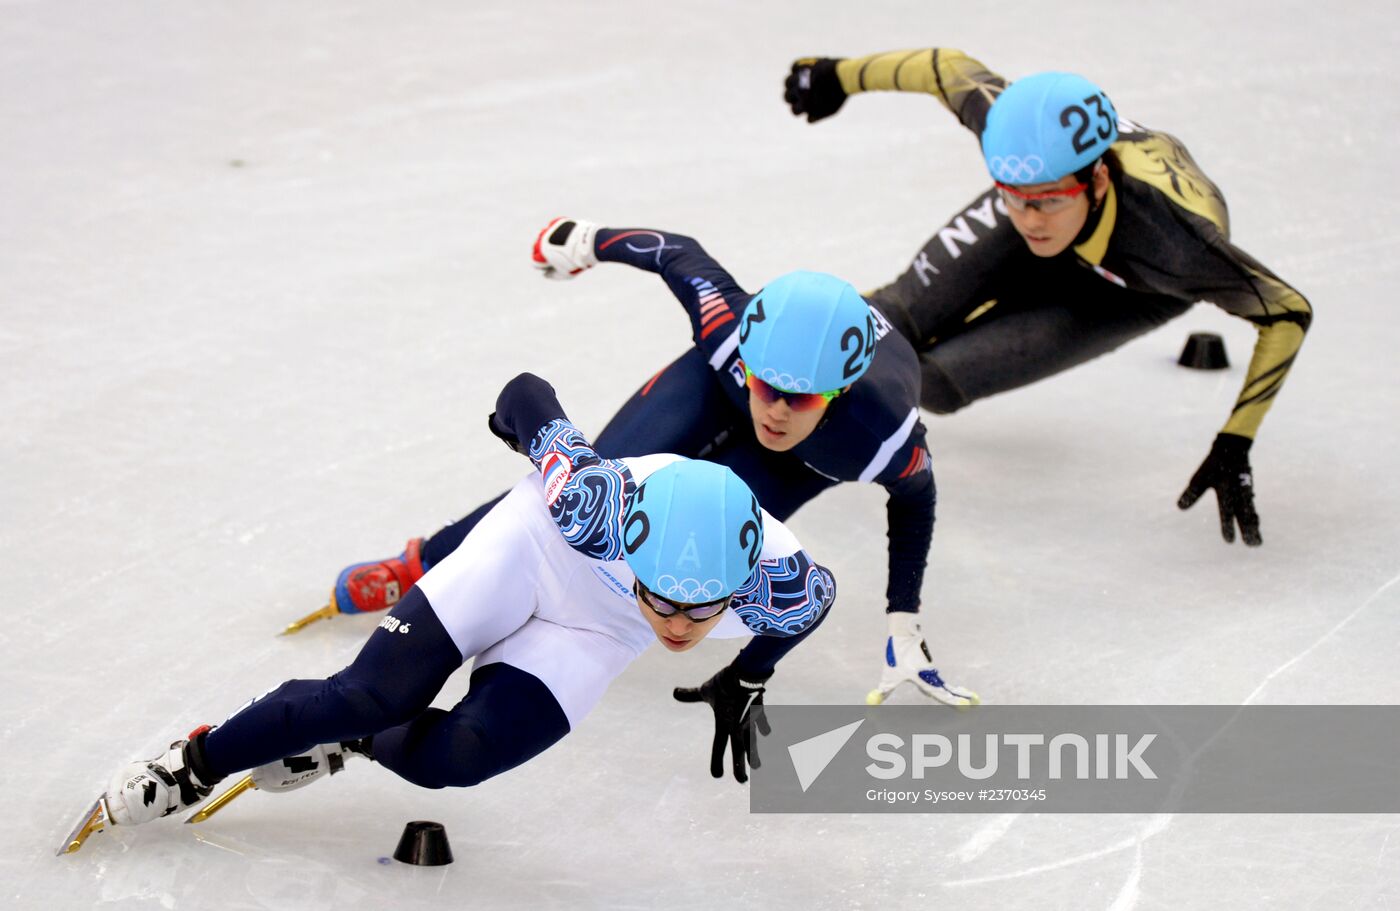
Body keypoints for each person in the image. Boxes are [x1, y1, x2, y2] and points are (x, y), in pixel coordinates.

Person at [97, 372, 838, 838]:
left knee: (460, 758)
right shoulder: (592, 504)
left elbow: (807, 614)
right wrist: (506, 421)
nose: (677, 626)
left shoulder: (785, 586)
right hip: (533, 550)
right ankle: (191, 762)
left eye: (698, 612)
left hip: (600, 628)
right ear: (632, 551)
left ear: (735, 588)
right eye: (663, 598)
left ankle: (347, 739)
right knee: (371, 693)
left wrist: (748, 674)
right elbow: (527, 392)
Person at [325, 219, 978, 708]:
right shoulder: (729, 334)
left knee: (702, 531)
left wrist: (903, 618)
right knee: (590, 484)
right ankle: (422, 559)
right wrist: (583, 239)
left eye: (798, 396)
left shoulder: (879, 435)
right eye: (765, 384)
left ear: (834, 391)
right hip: (710, 385)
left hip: (810, 458)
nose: (774, 410)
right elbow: (676, 253)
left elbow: (916, 499)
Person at [782, 50, 1312, 547]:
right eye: (1014, 198)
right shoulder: (1028, 153)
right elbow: (946, 68)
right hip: (1076, 210)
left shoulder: (1177, 242)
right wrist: (837, 75)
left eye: (1048, 202)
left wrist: (1234, 440)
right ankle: (780, 369)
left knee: (937, 382)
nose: (1031, 220)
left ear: (1098, 180)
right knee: (894, 317)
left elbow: (1287, 311)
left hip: (1130, 285)